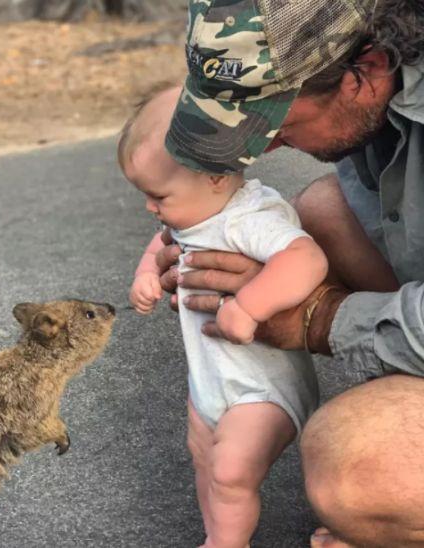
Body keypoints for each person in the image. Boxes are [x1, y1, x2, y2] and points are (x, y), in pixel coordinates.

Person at [155, 0, 424, 546]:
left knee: (355, 471)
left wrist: (319, 318)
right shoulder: (384, 53)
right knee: (319, 216)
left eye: (271, 125)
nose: (257, 150)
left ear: (367, 69)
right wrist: (215, 228)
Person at [120, 86, 329, 547]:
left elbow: (305, 258)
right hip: (211, 381)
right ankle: (217, 534)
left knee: (232, 473)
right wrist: (145, 274)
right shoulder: (192, 212)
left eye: (158, 195)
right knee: (207, 463)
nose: (151, 207)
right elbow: (164, 238)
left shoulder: (249, 217)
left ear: (215, 176)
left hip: (262, 387)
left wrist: (249, 307)